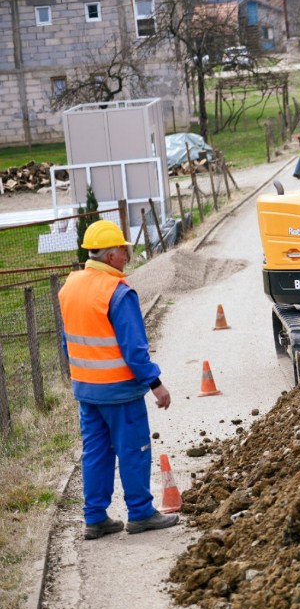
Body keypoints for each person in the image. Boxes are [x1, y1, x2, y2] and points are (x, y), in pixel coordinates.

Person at [58, 220, 180, 539]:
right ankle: (140, 513)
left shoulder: (70, 286)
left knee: (96, 453)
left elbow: (66, 341)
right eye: (123, 250)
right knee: (134, 450)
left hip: (87, 390)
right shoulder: (117, 292)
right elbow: (134, 350)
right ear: (111, 255)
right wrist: (156, 385)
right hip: (120, 391)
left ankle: (95, 518)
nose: (127, 255)